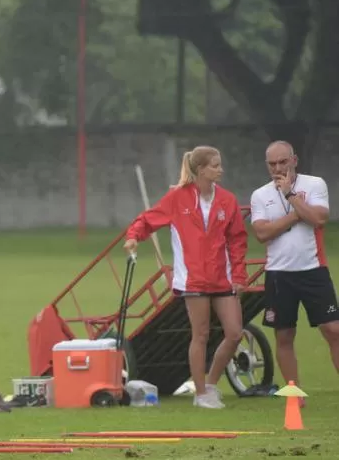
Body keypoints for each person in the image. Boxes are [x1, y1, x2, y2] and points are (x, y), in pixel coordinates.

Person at [123, 145, 248, 409]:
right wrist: (134, 237)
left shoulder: (228, 200)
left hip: (223, 278)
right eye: (215, 165)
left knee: (235, 333)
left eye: (220, 164)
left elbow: (237, 240)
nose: (221, 169)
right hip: (193, 279)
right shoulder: (177, 198)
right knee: (200, 334)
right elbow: (147, 220)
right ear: (200, 169)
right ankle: (200, 394)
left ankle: (210, 384)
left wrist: (238, 274)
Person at [250, 140, 339, 403]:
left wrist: (290, 195)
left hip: (313, 269)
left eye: (283, 162)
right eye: (272, 164)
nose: (278, 168)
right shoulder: (260, 195)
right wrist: (296, 214)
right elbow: (262, 233)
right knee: (284, 334)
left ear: (294, 160)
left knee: (333, 330)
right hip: (279, 274)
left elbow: (319, 219)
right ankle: (295, 395)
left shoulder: (315, 184)